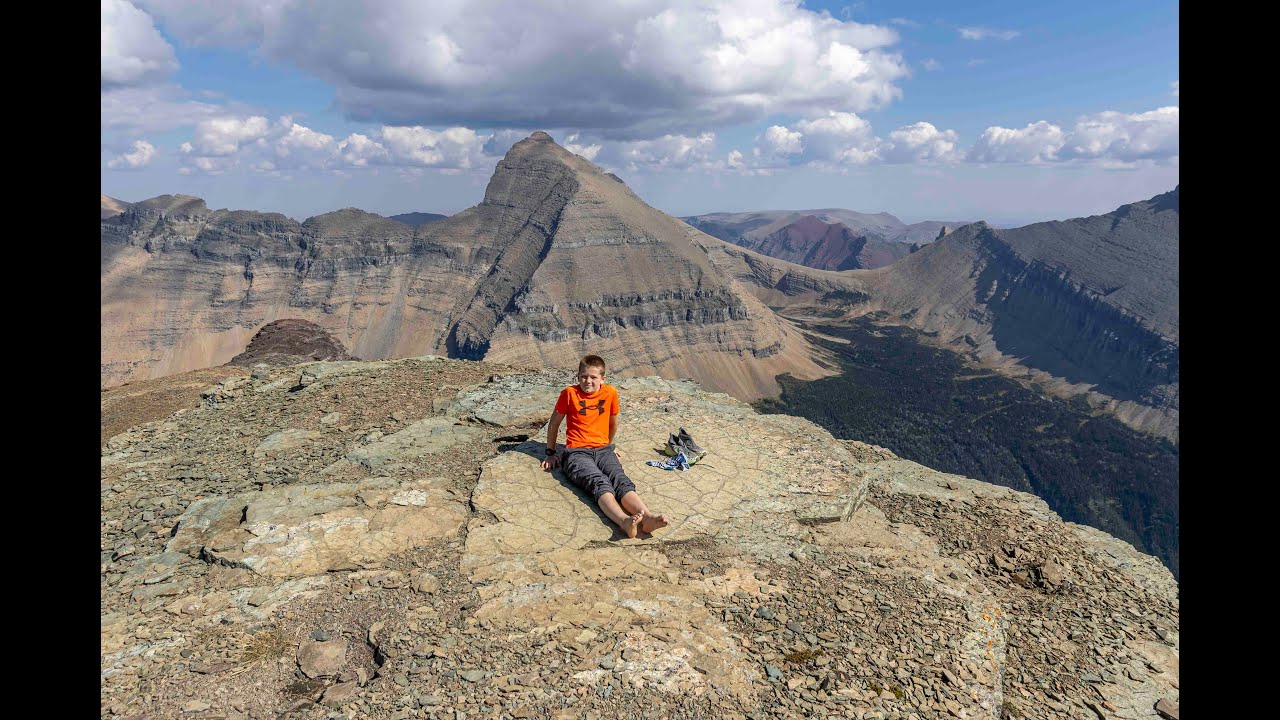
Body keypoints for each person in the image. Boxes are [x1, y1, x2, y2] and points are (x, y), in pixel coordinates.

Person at [541, 355, 668, 539]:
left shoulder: (610, 393)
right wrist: (551, 453)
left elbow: (613, 423)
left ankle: (647, 517)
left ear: (603, 378)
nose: (588, 381)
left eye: (593, 377)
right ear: (578, 376)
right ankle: (624, 521)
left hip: (603, 450)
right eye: (584, 376)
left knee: (620, 479)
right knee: (599, 482)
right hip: (576, 453)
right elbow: (554, 424)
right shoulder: (569, 394)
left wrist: (609, 445)